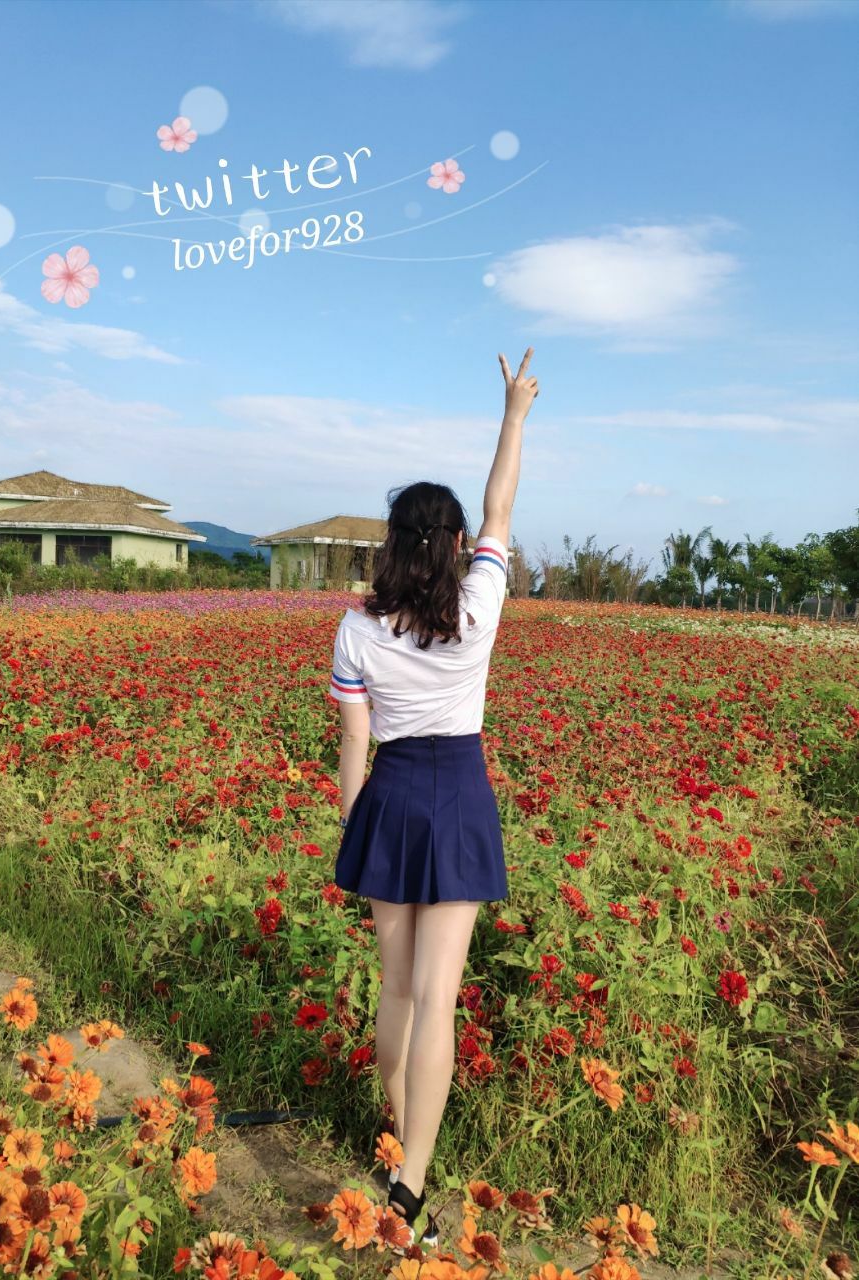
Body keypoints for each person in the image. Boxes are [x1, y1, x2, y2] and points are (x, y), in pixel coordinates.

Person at [326, 347, 539, 1245]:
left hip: (392, 794)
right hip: (459, 797)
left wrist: (356, 824)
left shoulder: (357, 629)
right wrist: (514, 413)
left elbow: (354, 745)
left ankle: (395, 1136)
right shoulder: (479, 608)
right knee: (437, 998)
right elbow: (501, 509)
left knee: (397, 989)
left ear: (389, 544)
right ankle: (410, 1181)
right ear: (455, 546)